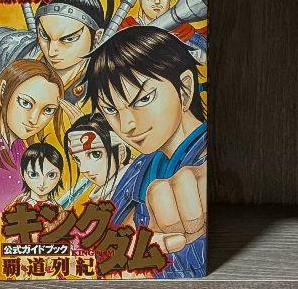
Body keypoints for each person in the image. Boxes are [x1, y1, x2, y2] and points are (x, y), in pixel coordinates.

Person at [86, 27, 207, 279]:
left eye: (143, 99)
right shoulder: (140, 167)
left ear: (185, 89)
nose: (127, 125)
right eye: (111, 110)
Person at [0, 57, 69, 171]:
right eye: (25, 103)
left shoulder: (21, 149)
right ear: (3, 92)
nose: (34, 120)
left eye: (48, 110)